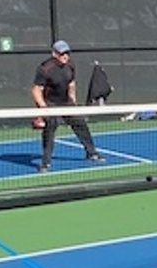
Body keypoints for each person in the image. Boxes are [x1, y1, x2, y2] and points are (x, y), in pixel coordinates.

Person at [32, 40, 105, 172]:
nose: (65, 56)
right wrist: (44, 109)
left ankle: (92, 152)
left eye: (67, 53)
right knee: (50, 130)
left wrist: (73, 102)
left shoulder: (70, 65)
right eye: (62, 53)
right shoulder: (44, 69)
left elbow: (71, 84)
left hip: (66, 102)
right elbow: (37, 90)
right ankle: (46, 162)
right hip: (51, 104)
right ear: (54, 54)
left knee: (81, 124)